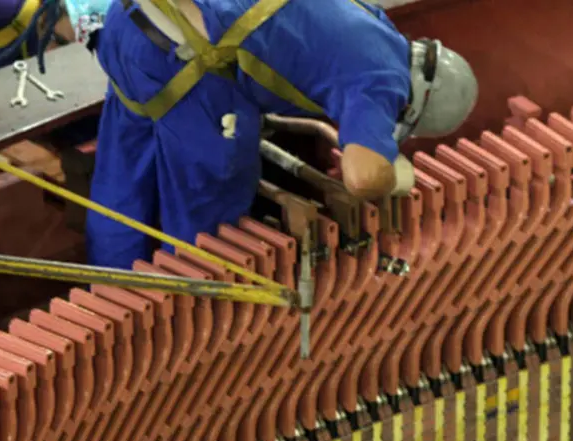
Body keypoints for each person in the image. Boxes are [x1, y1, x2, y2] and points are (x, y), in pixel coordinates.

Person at [72, 0, 479, 270]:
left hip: (126, 27)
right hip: (180, 63)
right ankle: (194, 325)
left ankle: (114, 297)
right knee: (210, 210)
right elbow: (362, 176)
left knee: (122, 180)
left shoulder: (376, 22)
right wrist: (394, 173)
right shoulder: (382, 84)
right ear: (413, 105)